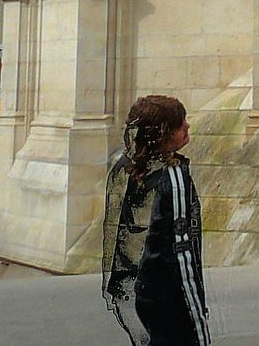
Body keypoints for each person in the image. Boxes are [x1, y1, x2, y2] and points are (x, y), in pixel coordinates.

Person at [102, 94, 209, 346]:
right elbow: (182, 251)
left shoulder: (122, 168)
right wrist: (199, 320)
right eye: (179, 122)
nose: (187, 126)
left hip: (130, 292)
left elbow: (112, 234)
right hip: (168, 295)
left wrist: (114, 288)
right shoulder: (173, 178)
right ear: (162, 133)